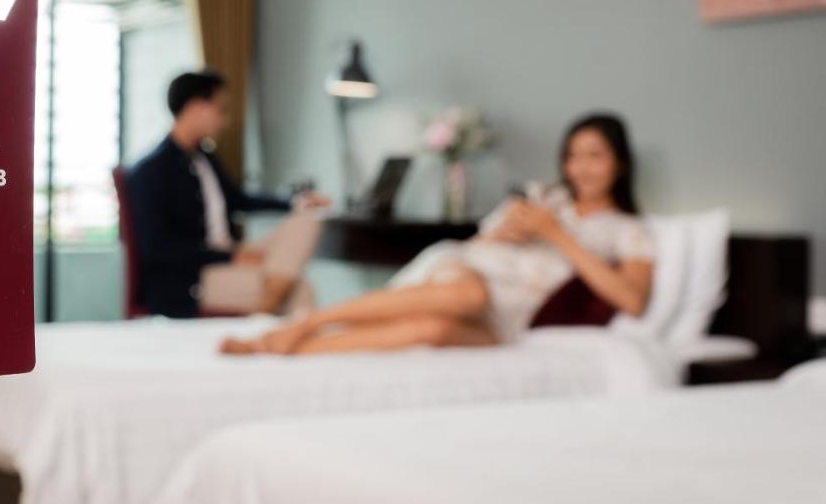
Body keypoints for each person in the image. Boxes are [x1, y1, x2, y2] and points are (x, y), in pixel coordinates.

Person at [221, 113, 655, 355]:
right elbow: (477, 245)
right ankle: (308, 322)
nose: (580, 168)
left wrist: (556, 235)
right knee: (467, 296)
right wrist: (509, 230)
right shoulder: (544, 198)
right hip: (472, 274)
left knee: (431, 329)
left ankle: (286, 345)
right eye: (573, 156)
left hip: (510, 317)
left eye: (594, 156)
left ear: (619, 163)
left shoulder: (629, 230)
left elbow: (632, 300)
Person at [125, 69, 328, 318]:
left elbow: (239, 200)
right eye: (220, 110)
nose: (224, 120)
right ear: (195, 107)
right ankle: (266, 312)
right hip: (195, 277)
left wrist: (296, 202)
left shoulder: (205, 158)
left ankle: (263, 314)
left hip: (230, 255)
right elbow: (157, 247)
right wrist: (229, 257)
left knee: (308, 220)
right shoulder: (151, 170)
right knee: (300, 291)